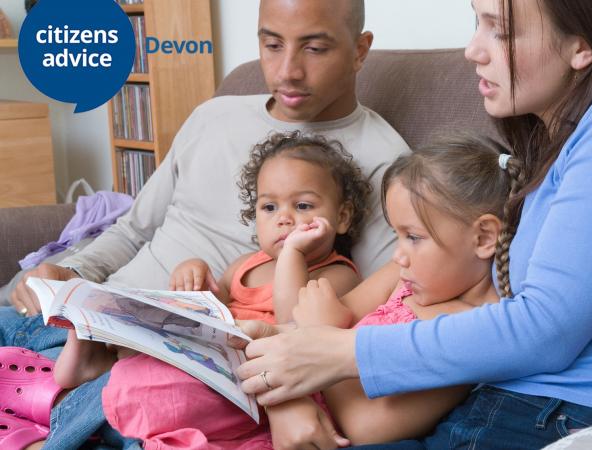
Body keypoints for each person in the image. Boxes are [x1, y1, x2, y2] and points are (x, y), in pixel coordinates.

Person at [234, 0, 592, 448]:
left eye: (501, 31)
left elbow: (548, 329)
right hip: (509, 409)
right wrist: (287, 349)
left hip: (570, 419)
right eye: (477, 24)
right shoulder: (548, 156)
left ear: (582, 47)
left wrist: (340, 351)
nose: (473, 50)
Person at [0, 0, 409, 447]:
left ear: (360, 50)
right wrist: (72, 276)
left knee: (132, 402)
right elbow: (133, 230)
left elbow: (373, 313)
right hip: (86, 325)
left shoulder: (385, 163)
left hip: (180, 363)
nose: (287, 70)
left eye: (314, 48)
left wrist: (287, 393)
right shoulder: (213, 116)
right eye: (272, 45)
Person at [106, 135, 513, 449]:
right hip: (284, 389)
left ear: (483, 237)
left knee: (149, 397)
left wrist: (319, 337)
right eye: (396, 236)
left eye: (413, 237)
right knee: (145, 374)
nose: (399, 255)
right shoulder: (403, 275)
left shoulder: (471, 331)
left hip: (305, 427)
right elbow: (311, 318)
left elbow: (365, 426)